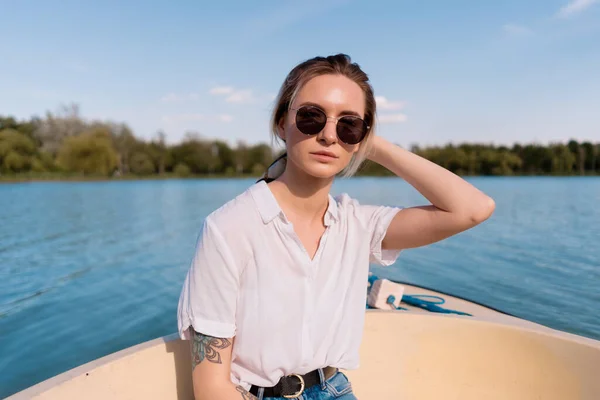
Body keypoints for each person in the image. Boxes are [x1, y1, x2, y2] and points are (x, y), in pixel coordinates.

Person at [177, 54, 495, 400]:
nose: (329, 135)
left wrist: (373, 145)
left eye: (348, 125)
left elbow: (472, 210)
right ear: (282, 124)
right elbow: (211, 386)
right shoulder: (229, 228)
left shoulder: (358, 224)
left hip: (336, 390)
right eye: (311, 117)